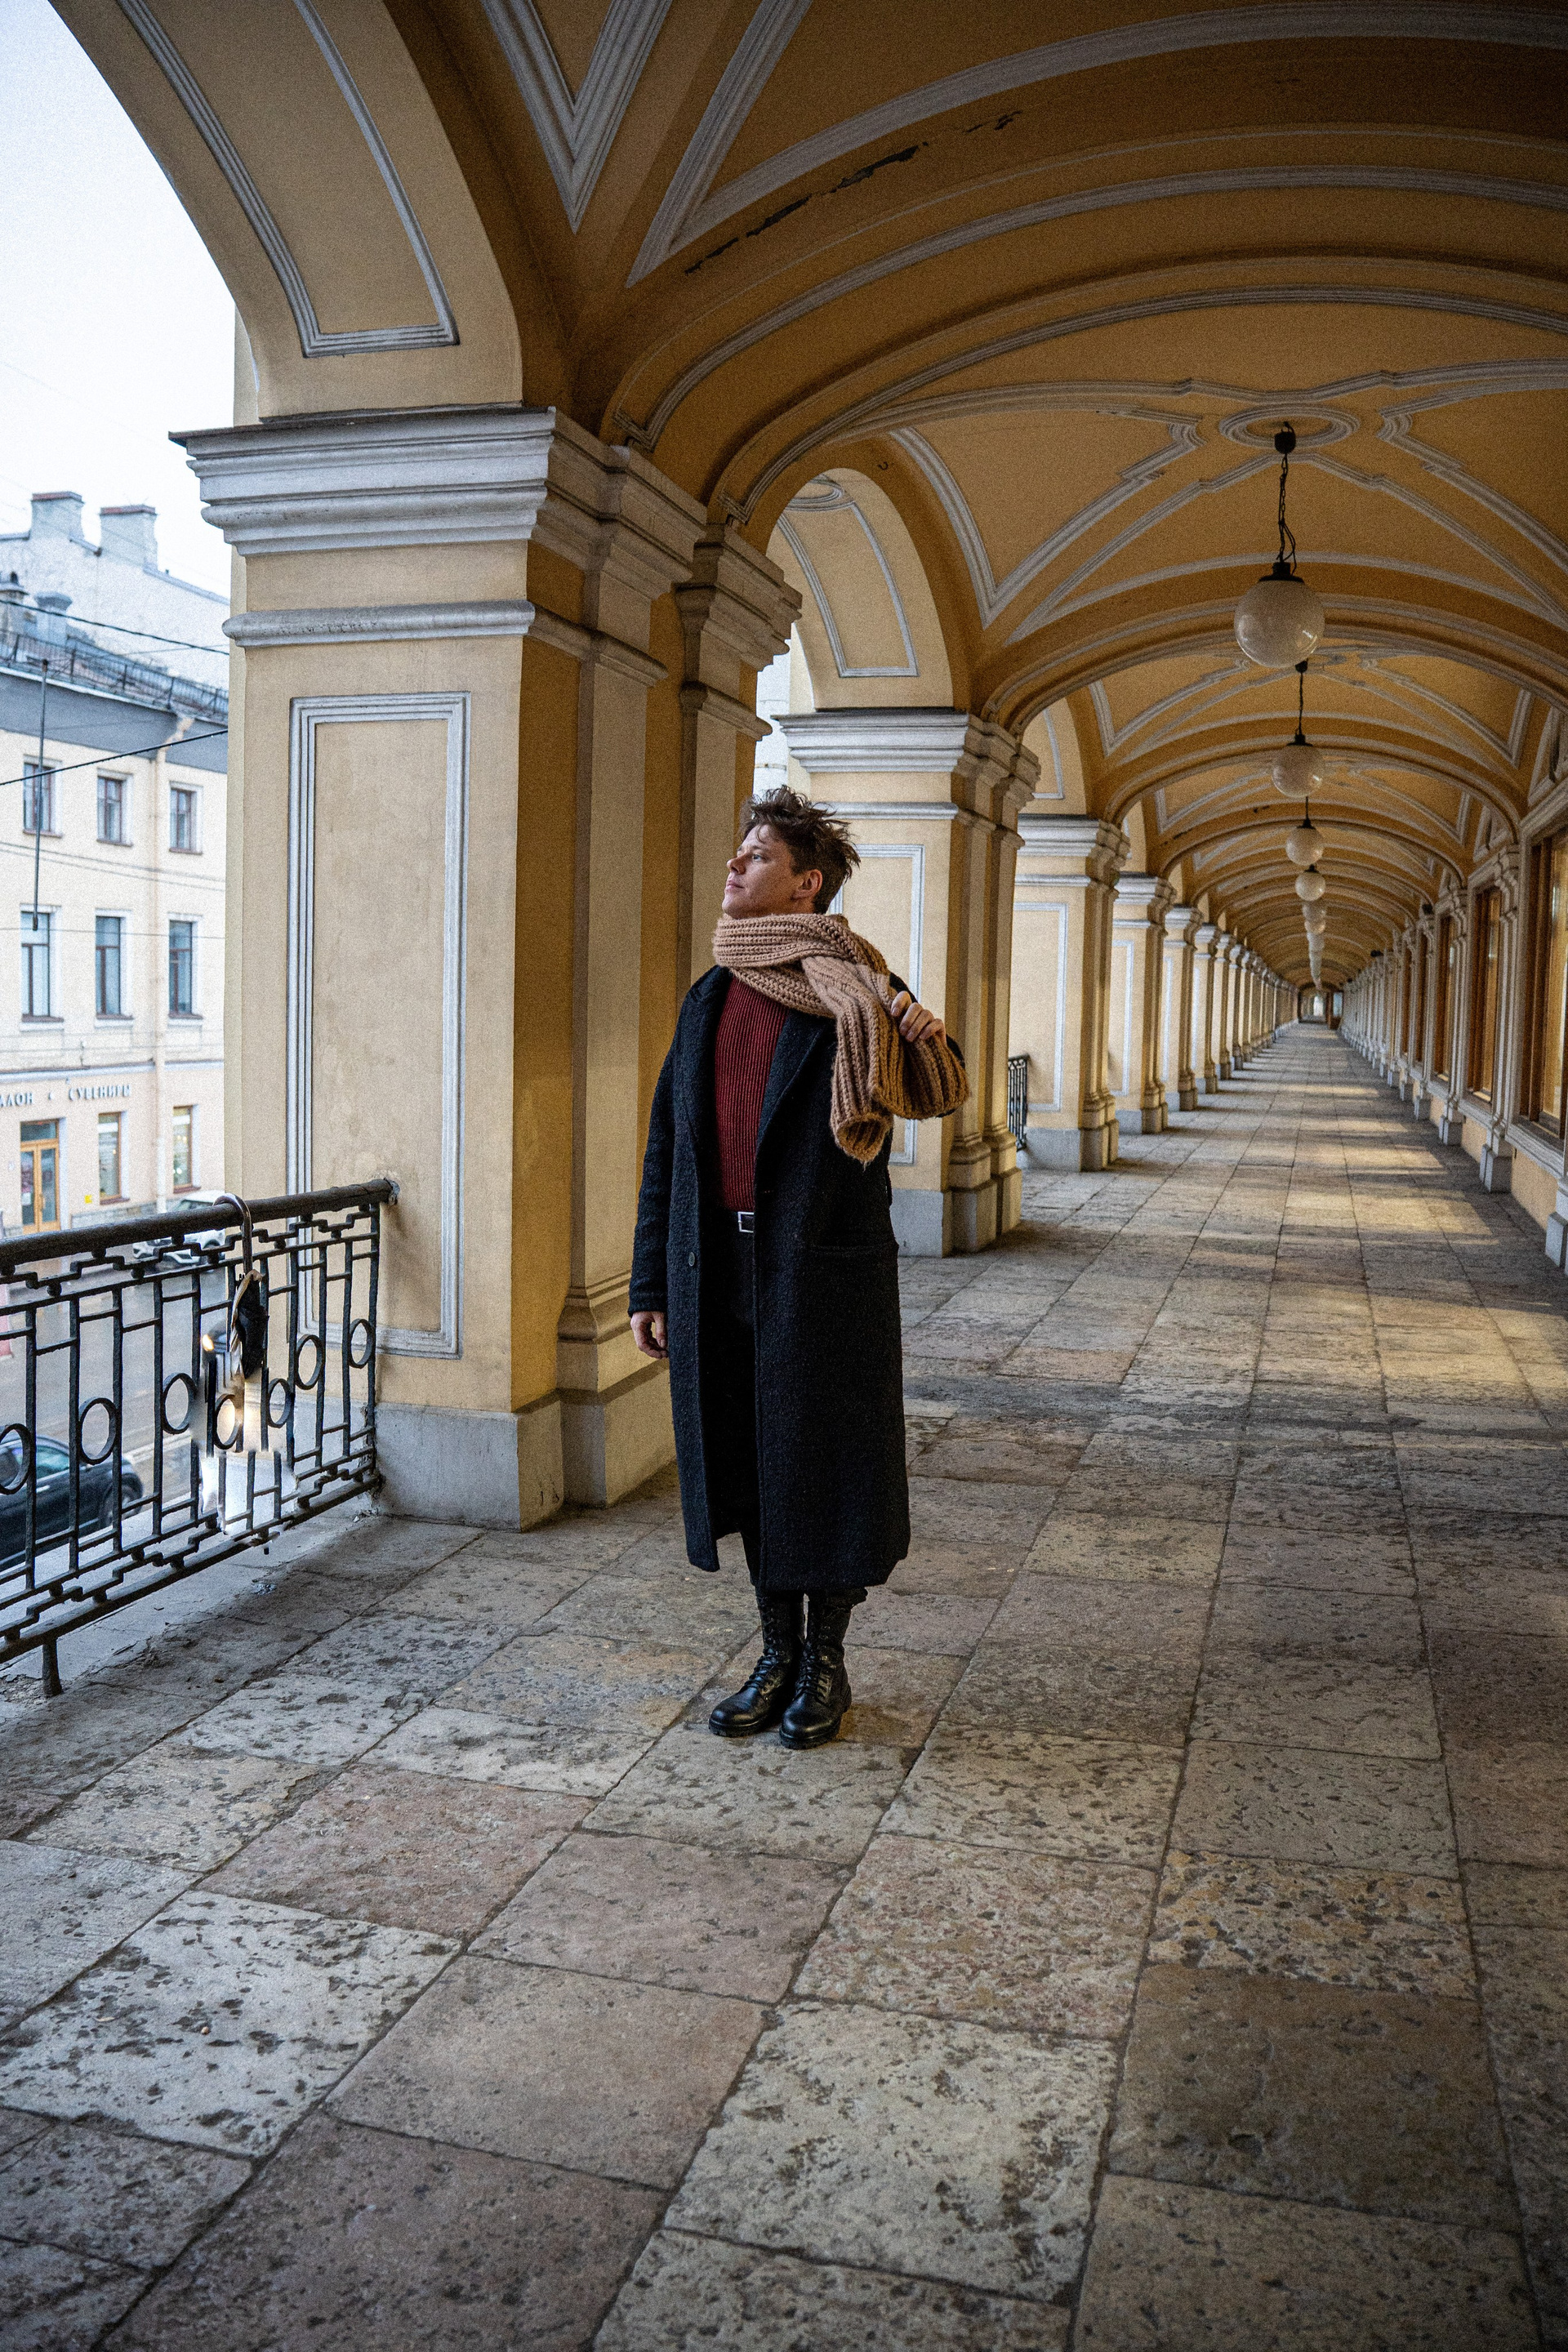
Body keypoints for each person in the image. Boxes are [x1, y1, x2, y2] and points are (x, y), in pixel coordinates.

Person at [630, 788, 966, 1748]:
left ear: (806, 883)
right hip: (717, 1270)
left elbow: (938, 1087)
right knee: (748, 1462)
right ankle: (776, 1650)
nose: (735, 866)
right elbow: (670, 1147)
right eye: (738, 853)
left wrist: (924, 1034)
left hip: (821, 1272)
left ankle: (826, 1660)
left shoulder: (856, 988)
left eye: (758, 855)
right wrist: (651, 1283)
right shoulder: (711, 993)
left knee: (825, 1463)